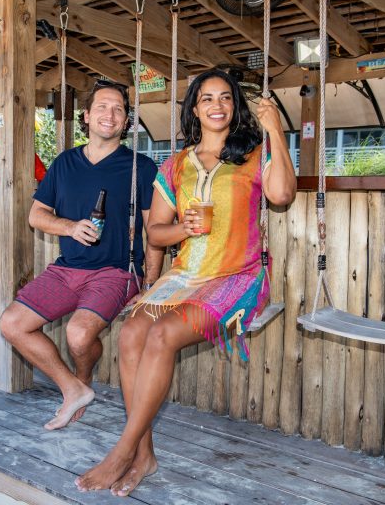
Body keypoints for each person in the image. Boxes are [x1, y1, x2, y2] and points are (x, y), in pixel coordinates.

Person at [75, 69, 297, 495]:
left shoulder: (254, 154)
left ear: (235, 107)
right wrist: (184, 231)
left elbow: (282, 195)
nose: (217, 105)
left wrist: (275, 130)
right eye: (207, 98)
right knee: (131, 335)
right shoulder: (175, 165)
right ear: (195, 109)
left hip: (237, 276)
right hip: (186, 275)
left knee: (161, 336)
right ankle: (145, 454)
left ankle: (123, 451)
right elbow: (155, 233)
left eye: (226, 98)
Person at [0, 81, 164, 431]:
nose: (111, 114)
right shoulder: (64, 163)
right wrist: (71, 227)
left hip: (117, 272)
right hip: (67, 269)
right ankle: (72, 388)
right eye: (103, 107)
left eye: (119, 108)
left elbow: (155, 232)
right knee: (11, 325)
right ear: (86, 116)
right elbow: (36, 215)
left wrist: (151, 282)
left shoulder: (141, 167)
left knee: (78, 335)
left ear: (126, 121)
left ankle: (82, 379)